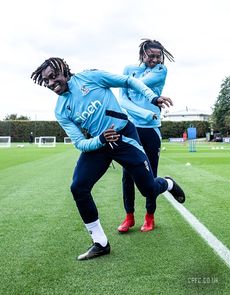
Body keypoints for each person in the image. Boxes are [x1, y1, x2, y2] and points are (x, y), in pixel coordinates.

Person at [31, 57, 185, 260]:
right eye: (46, 81)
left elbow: (127, 81)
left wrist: (151, 98)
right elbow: (79, 143)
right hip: (99, 145)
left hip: (124, 137)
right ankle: (100, 243)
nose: (51, 83)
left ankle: (167, 183)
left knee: (148, 189)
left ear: (64, 71)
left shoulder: (91, 77)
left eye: (53, 76)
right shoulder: (61, 110)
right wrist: (100, 140)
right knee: (78, 187)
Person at [117, 39, 178, 233]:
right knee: (127, 175)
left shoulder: (161, 71)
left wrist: (147, 116)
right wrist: (144, 113)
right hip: (130, 128)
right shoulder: (128, 68)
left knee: (149, 177)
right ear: (142, 55)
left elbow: (136, 85)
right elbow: (123, 100)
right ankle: (129, 217)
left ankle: (150, 216)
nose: (154, 60)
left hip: (151, 129)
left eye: (157, 56)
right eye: (150, 56)